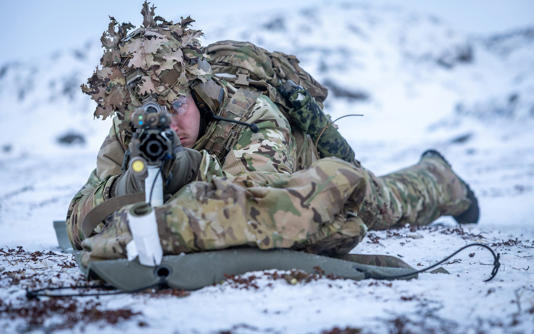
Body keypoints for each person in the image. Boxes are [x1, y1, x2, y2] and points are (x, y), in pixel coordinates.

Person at [67, 3, 478, 265]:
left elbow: (258, 204)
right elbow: (76, 220)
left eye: (177, 107)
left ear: (196, 91)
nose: (169, 127)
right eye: (149, 117)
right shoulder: (132, 130)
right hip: (231, 189)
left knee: (382, 206)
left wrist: (187, 167)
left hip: (303, 170)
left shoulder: (251, 116)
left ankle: (441, 178)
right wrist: (128, 184)